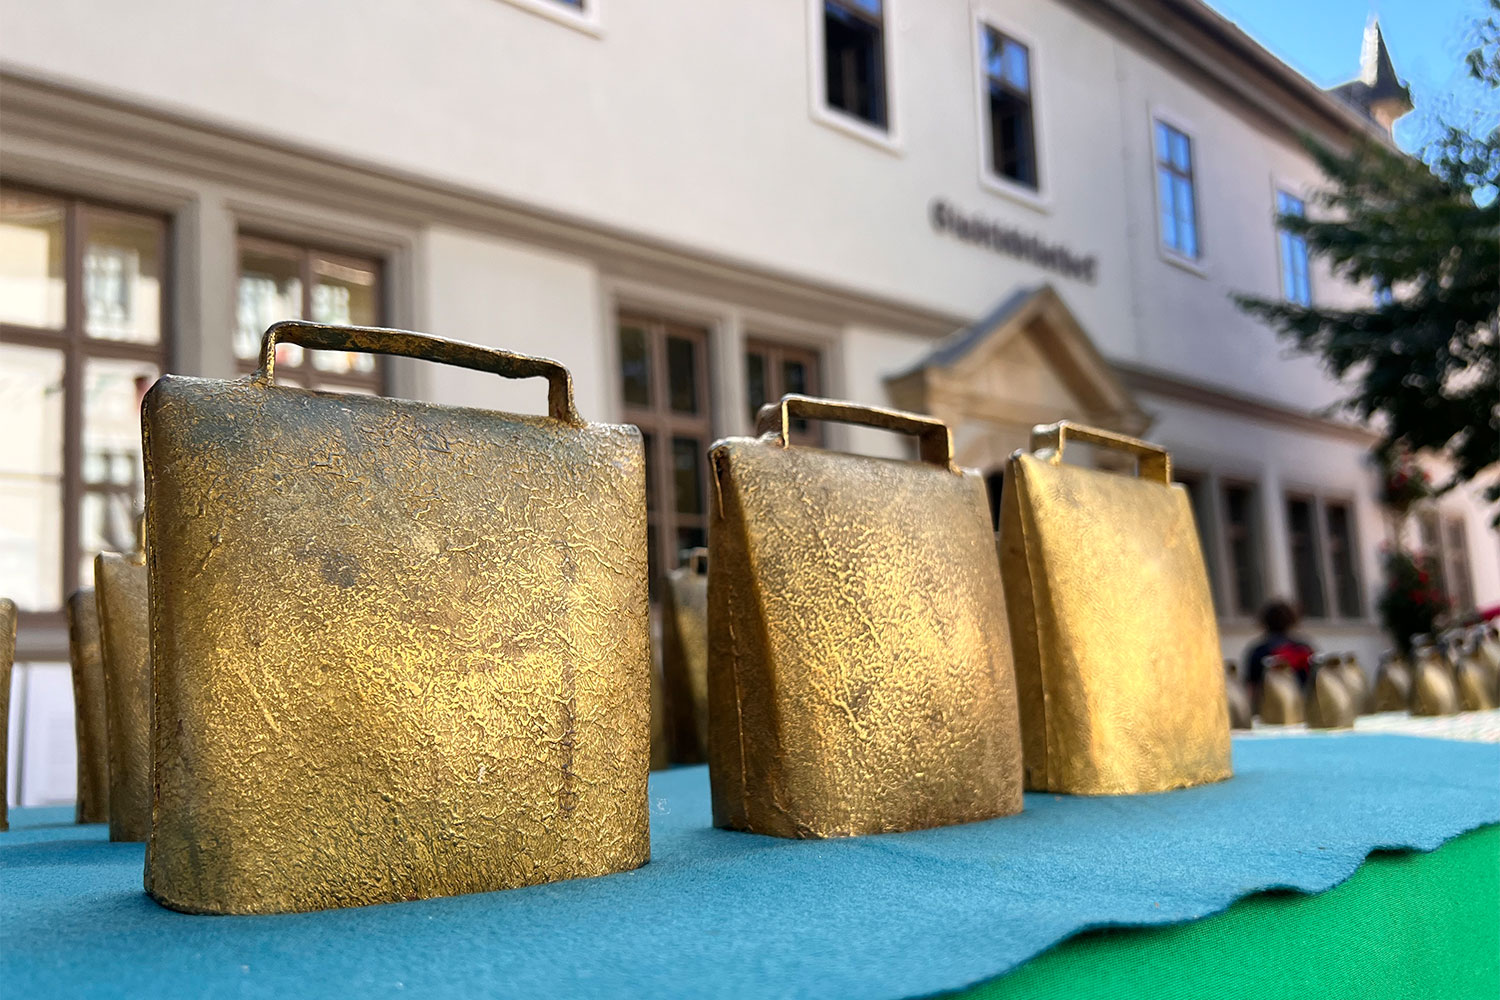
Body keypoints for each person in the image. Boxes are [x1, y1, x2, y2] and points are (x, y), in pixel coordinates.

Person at [1243, 599, 1316, 704]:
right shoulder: (1304, 649)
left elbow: (1252, 688)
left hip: (1271, 708)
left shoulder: (1259, 651)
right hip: (1301, 705)